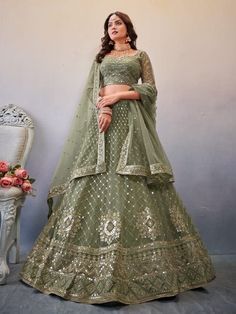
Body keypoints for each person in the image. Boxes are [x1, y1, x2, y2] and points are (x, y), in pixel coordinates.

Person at [20, 11, 215, 304]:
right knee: (95, 174)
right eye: (109, 24)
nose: (113, 27)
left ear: (128, 29)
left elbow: (150, 89)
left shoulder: (140, 55)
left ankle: (151, 270)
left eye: (118, 23)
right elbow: (95, 90)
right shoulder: (102, 58)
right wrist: (106, 107)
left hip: (132, 124)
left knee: (133, 176)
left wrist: (119, 97)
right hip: (104, 122)